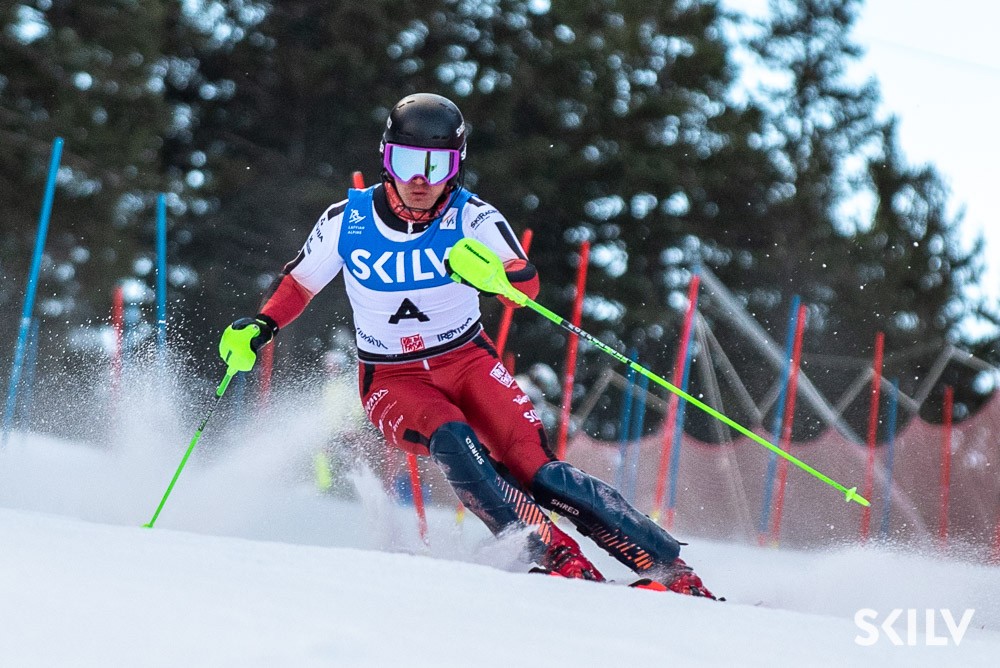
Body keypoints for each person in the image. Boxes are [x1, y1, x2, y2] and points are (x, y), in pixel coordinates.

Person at [219, 92, 716, 597]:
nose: (420, 180)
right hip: (392, 376)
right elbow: (299, 283)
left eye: (436, 166)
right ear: (387, 159)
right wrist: (261, 326)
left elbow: (525, 281)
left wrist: (496, 277)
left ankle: (670, 570)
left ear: (455, 167)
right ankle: (555, 556)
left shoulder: (471, 217)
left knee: (540, 472)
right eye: (407, 162)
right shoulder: (346, 220)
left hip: (467, 360)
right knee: (454, 439)